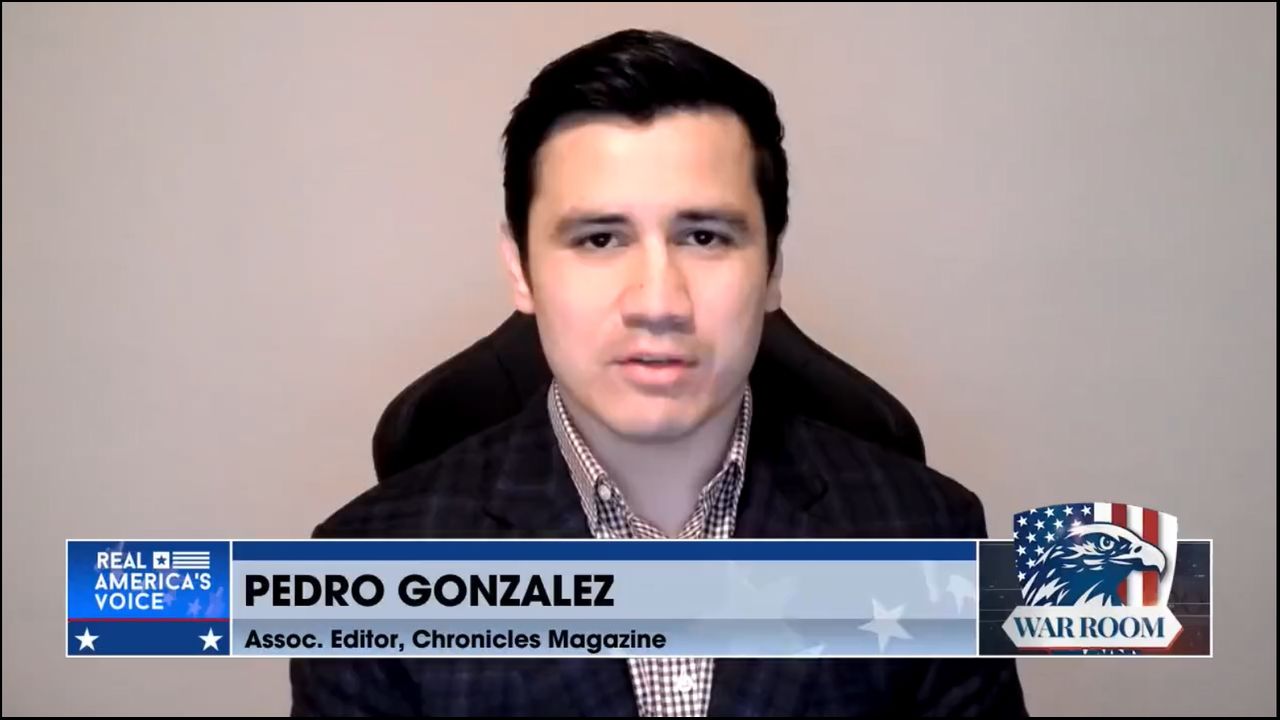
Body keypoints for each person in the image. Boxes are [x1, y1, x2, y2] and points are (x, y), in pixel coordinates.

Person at [290, 28, 1028, 717]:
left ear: (773, 266)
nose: (658, 303)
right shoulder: (358, 569)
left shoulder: (940, 535)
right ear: (520, 268)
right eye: (599, 239)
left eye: (704, 236)